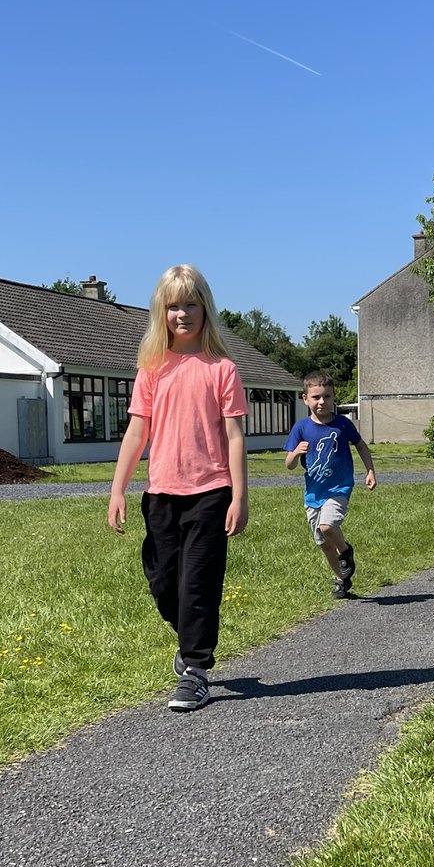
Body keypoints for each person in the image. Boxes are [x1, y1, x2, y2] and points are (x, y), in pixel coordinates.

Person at [108, 265, 248, 712]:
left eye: (191, 304)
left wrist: (240, 497)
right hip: (161, 494)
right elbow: (136, 432)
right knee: (164, 582)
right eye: (173, 306)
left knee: (199, 584)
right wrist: (118, 490)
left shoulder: (222, 369)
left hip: (211, 492)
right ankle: (188, 636)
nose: (182, 314)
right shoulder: (152, 369)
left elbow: (235, 437)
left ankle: (196, 670)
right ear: (160, 312)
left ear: (205, 309)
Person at [285, 369, 376, 599]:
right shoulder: (301, 428)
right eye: (316, 397)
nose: (322, 402)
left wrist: (370, 471)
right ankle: (341, 579)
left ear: (334, 397)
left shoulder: (342, 425)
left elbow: (362, 447)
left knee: (327, 526)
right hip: (313, 493)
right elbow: (289, 465)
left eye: (327, 396)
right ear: (305, 399)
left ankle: (346, 551)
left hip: (339, 488)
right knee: (324, 544)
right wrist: (296, 452)